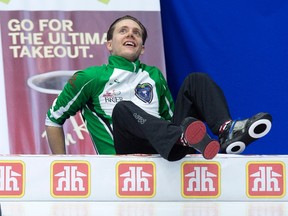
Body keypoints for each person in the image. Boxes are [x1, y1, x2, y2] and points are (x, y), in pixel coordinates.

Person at [45, 15, 272, 161]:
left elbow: (170, 117)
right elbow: (53, 119)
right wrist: (63, 165)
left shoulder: (154, 76)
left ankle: (227, 130)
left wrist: (182, 130)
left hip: (166, 147)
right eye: (123, 30)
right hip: (125, 154)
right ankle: (181, 137)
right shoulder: (90, 77)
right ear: (109, 44)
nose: (130, 34)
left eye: (136, 32)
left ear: (142, 48)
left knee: (196, 80)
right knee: (124, 109)